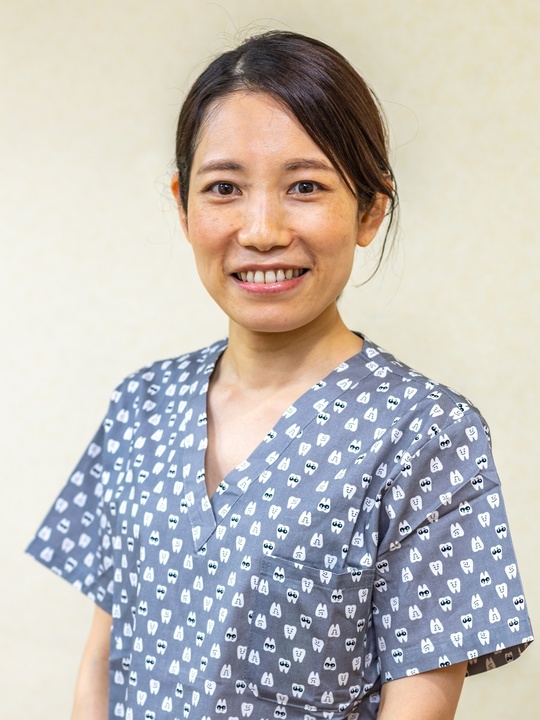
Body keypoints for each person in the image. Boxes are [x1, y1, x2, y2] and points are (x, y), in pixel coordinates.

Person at [27, 30, 533, 720]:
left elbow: (417, 704)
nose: (262, 230)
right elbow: (102, 659)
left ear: (370, 209)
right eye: (224, 188)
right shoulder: (140, 406)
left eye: (305, 186)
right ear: (183, 206)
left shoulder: (427, 435)